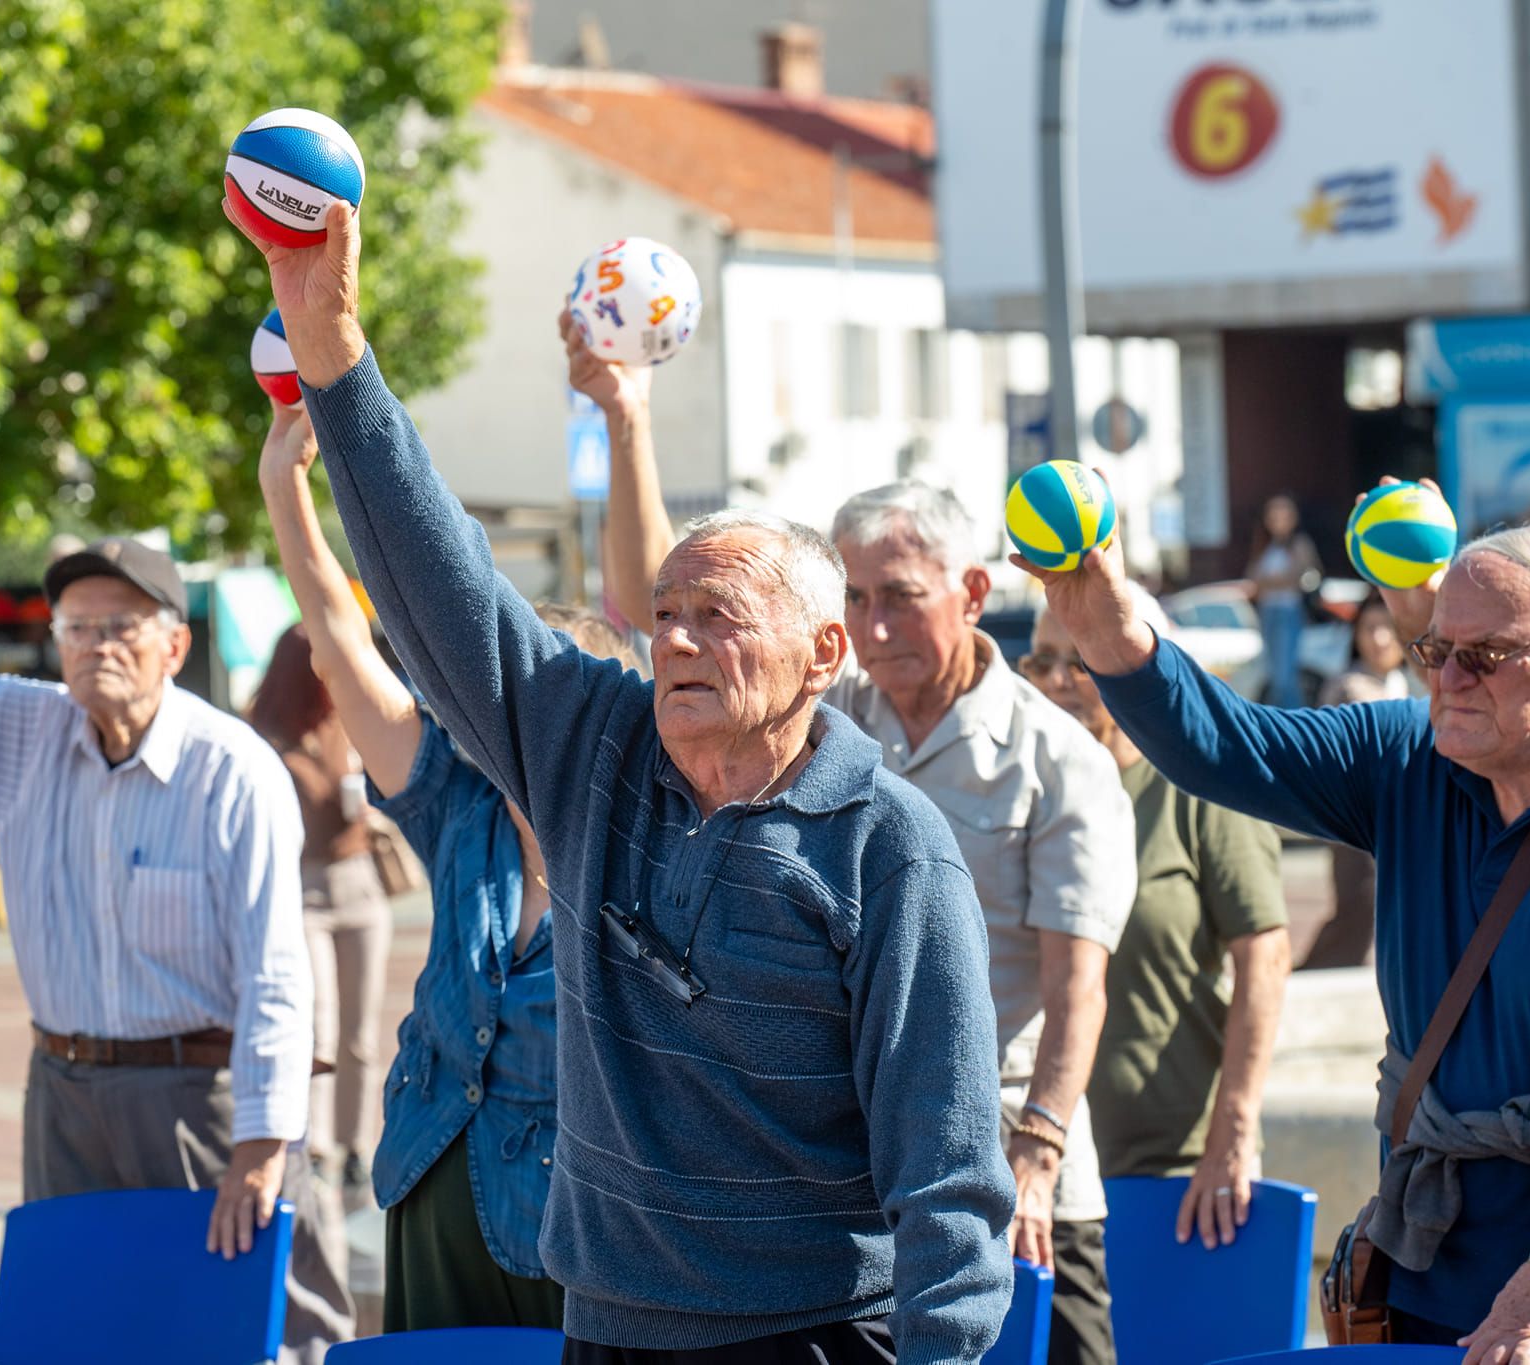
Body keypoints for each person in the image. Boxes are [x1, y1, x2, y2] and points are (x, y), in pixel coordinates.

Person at [230, 195, 1013, 1364]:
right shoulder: (593, 754)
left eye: (718, 616)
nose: (678, 639)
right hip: (606, 1329)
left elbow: (945, 1166)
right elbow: (441, 583)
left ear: (822, 655)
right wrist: (333, 345)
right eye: (665, 614)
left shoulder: (884, 845)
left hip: (810, 1336)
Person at [1023, 513, 1530, 1364]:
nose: (1449, 678)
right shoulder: (1406, 754)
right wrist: (1108, 632)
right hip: (1422, 1279)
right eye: (1435, 649)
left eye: (1484, 655)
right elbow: (1229, 743)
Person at [0, 533, 353, 1362]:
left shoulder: (232, 769)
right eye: (77, 627)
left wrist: (262, 1142)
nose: (96, 646)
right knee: (85, 1326)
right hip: (64, 1096)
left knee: (257, 1326)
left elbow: (275, 974)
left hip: (202, 1096)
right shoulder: (27, 735)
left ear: (174, 645)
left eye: (121, 627)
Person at [255, 312, 670, 1333]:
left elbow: (655, 601)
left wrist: (628, 422)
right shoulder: (457, 800)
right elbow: (339, 640)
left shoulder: (652, 836)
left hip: (579, 1214)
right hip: (433, 1178)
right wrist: (285, 483)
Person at [817, 482, 1134, 1365]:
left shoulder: (1057, 758)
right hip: (850, 1175)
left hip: (1015, 1161)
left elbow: (1078, 986)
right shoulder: (823, 725)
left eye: (901, 596)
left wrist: (1039, 1151)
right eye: (855, 598)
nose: (874, 627)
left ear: (974, 592)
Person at [1020, 603, 1292, 1248]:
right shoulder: (1015, 795)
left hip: (1181, 1173)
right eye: (1041, 662)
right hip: (1038, 1164)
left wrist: (1232, 1135)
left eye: (1079, 661)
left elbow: (1266, 957)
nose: (1056, 682)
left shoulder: (1200, 786)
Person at [249, 624, 395, 1195]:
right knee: (319, 1029)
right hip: (301, 888)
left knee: (360, 1033)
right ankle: (314, 1145)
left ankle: (356, 1145)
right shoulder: (263, 737)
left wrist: (374, 809)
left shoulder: (346, 722)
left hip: (360, 884)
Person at [1305, 591, 1422, 969]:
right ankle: (1312, 975)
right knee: (1361, 907)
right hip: (1358, 822)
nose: (1380, 639)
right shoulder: (1346, 687)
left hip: (1401, 820)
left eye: (1388, 628)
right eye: (1369, 629)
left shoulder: (1408, 684)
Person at [1245, 494, 1320, 709]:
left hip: (1288, 611)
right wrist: (1276, 581)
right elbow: (1253, 581)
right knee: (1272, 672)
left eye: (1283, 513)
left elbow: (1297, 578)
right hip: (1267, 611)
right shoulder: (1264, 546)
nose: (1278, 518)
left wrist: (1271, 582)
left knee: (1285, 675)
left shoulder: (1299, 544)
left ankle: (1293, 718)